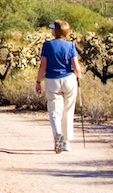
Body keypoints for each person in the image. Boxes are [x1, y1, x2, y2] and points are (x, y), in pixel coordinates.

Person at [35, 20, 82, 153]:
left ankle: (57, 135)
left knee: (54, 109)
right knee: (68, 110)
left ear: (56, 31)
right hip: (69, 79)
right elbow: (76, 66)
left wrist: (38, 82)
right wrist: (79, 75)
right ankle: (66, 142)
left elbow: (43, 65)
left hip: (52, 80)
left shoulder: (47, 45)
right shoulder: (70, 45)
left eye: (53, 29)